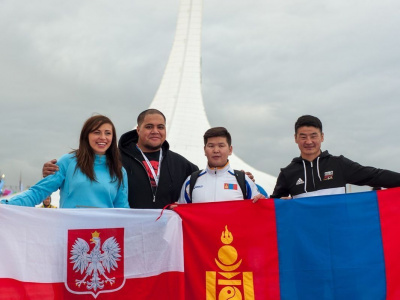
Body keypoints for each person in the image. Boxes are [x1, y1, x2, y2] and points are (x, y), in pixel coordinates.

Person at [2, 115, 129, 208]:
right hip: (71, 235)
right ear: (86, 136)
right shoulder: (68, 162)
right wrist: (5, 206)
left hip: (104, 237)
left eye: (108, 133)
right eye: (97, 132)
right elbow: (38, 192)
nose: (103, 137)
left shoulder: (119, 171)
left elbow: (122, 209)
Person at [270, 115, 400, 199]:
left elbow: (375, 176)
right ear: (295, 139)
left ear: (322, 137)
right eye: (303, 137)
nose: (309, 141)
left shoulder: (338, 164)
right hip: (306, 240)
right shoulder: (288, 173)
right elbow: (272, 208)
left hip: (339, 236)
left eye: (313, 136)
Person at [178, 127, 265, 204]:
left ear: (230, 150)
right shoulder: (191, 181)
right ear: (205, 150)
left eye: (221, 146)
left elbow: (259, 212)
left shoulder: (244, 181)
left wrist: (262, 201)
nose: (216, 150)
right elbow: (181, 216)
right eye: (211, 146)